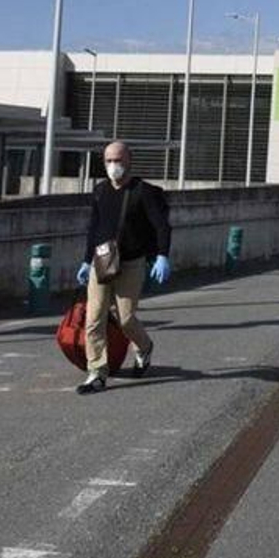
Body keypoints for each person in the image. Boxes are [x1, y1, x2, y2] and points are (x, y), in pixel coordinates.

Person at [75, 141, 171, 395]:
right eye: (108, 160)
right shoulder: (100, 191)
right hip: (102, 261)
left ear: (129, 161)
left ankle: (145, 347)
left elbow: (162, 225)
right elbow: (94, 228)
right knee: (94, 318)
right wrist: (86, 260)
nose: (113, 165)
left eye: (117, 160)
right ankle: (97, 372)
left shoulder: (144, 192)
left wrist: (162, 255)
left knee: (125, 318)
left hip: (131, 261)